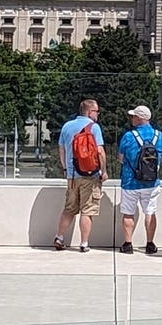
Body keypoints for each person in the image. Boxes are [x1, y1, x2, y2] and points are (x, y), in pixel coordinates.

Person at [56, 97, 106, 252]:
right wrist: (103, 171)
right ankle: (84, 243)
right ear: (90, 112)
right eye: (97, 111)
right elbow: (100, 152)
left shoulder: (67, 126)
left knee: (69, 208)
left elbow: (62, 150)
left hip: (72, 175)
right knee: (87, 210)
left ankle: (59, 237)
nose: (98, 114)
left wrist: (66, 169)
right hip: (90, 175)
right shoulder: (94, 127)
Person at [118, 103, 162, 255]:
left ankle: (128, 244)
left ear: (139, 118)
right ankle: (150, 243)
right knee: (150, 212)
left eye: (133, 116)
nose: (131, 118)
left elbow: (120, 158)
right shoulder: (159, 136)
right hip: (151, 182)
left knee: (128, 213)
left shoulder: (128, 136)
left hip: (130, 181)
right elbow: (161, 156)